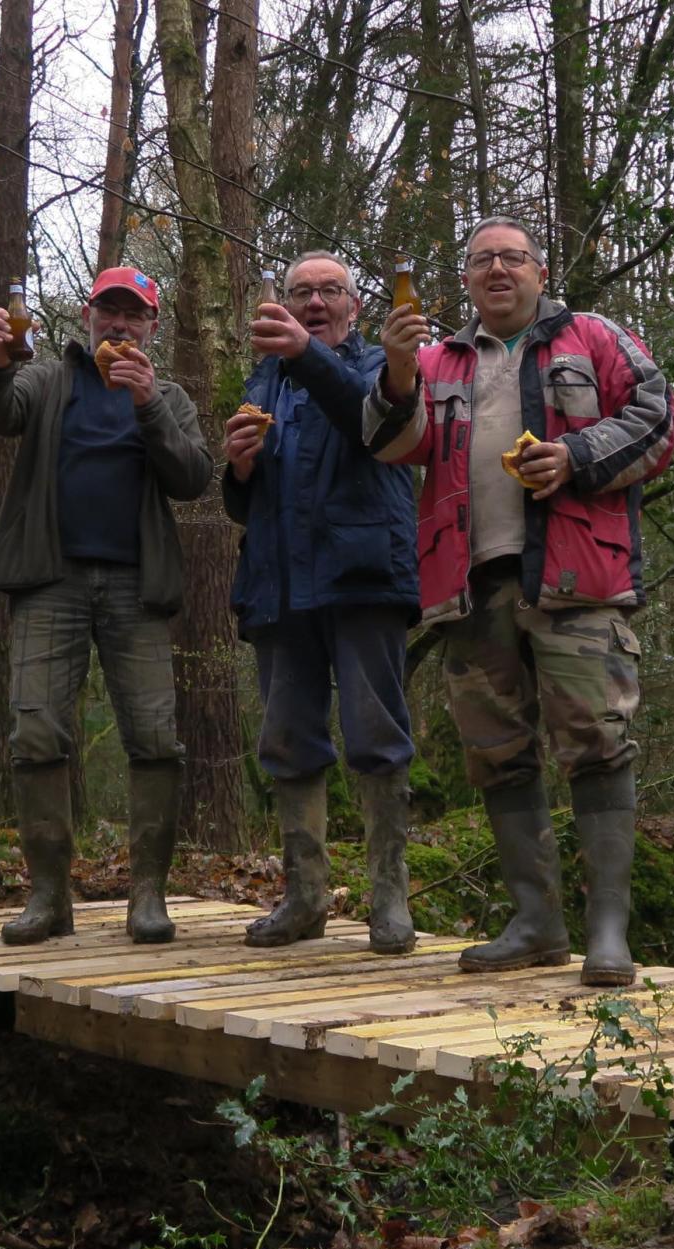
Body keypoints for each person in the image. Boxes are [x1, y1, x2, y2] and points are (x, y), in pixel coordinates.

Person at [366, 217, 674, 985]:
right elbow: (384, 442)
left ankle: (609, 933)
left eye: (512, 258)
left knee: (597, 743)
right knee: (498, 756)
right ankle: (536, 922)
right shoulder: (436, 361)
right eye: (481, 262)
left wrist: (574, 456)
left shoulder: (595, 338)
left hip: (578, 580)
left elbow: (659, 418)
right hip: (470, 586)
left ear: (540, 272)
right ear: (466, 282)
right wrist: (398, 368)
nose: (497, 270)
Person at [0, 267, 213, 946]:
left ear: (153, 328)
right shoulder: (49, 381)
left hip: (138, 588)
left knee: (155, 736)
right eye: (110, 311)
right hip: (52, 581)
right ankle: (49, 896)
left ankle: (148, 898)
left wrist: (149, 407)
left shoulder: (166, 394)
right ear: (88, 316)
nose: (121, 325)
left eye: (135, 315)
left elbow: (193, 478)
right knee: (37, 732)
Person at [221, 251, 420, 953]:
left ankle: (388, 901)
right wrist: (238, 465)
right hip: (279, 581)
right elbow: (246, 502)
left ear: (354, 307)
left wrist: (305, 355)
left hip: (362, 575)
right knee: (287, 741)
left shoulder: (381, 367)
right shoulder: (264, 378)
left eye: (328, 291)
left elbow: (371, 423)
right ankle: (304, 897)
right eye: (300, 291)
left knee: (376, 734)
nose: (312, 302)